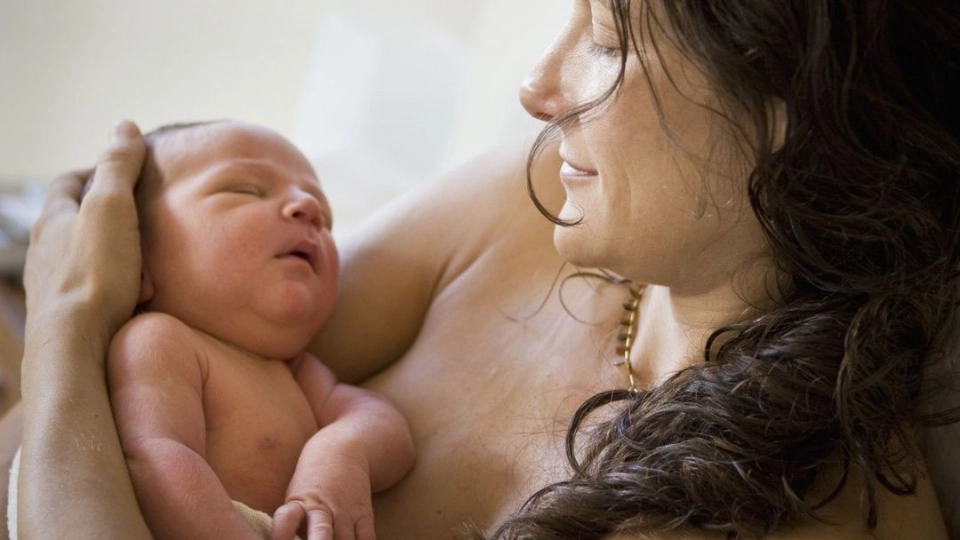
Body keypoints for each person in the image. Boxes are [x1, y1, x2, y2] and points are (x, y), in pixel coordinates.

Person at [4, 0, 959, 539]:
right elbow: (202, 336)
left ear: (793, 103)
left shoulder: (803, 507)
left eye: (608, 41)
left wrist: (65, 324)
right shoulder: (533, 197)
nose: (536, 89)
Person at [11, 120, 417, 540]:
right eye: (246, 190)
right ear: (137, 258)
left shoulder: (297, 372)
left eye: (326, 219)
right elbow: (158, 461)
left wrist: (341, 452)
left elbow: (383, 424)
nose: (307, 207)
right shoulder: (161, 341)